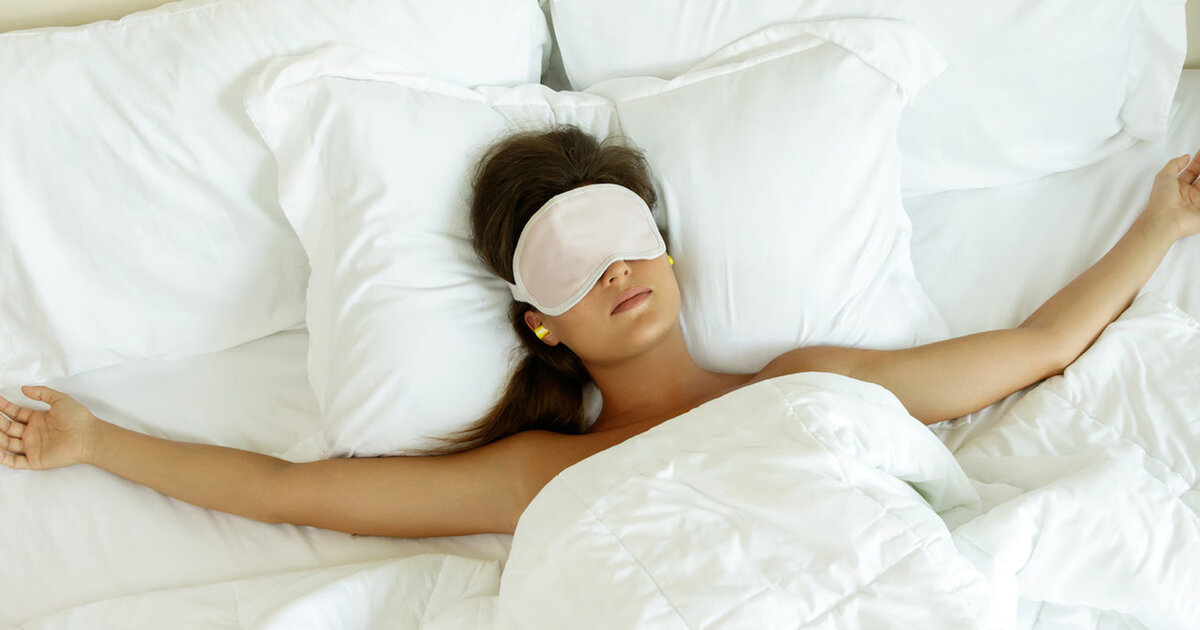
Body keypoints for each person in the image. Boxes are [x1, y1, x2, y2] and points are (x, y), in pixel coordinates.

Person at [2, 125, 1198, 539]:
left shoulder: (809, 381)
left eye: (629, 238)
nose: (618, 268)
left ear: (668, 255)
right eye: (576, 263)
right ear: (543, 324)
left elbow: (1038, 351)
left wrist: (1161, 222)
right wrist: (96, 443)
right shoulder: (542, 471)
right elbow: (288, 493)